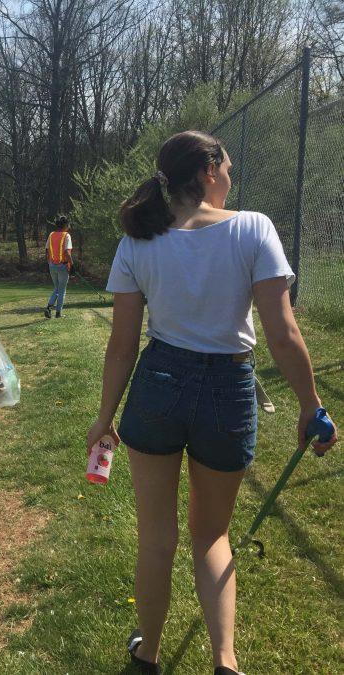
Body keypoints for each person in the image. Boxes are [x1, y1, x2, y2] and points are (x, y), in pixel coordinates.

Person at [86, 130, 338, 675]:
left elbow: (122, 343)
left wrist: (104, 419)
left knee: (156, 536)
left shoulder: (139, 240)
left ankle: (146, 657)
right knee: (211, 535)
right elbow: (283, 333)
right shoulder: (254, 228)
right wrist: (310, 405)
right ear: (207, 172)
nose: (230, 180)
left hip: (157, 384)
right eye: (226, 169)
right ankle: (225, 662)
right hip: (228, 390)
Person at [44, 215, 73, 318]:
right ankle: (57, 313)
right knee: (62, 290)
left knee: (57, 288)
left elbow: (47, 250)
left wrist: (49, 262)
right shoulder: (67, 236)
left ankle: (49, 307)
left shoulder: (51, 235)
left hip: (52, 265)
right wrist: (72, 265)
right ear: (65, 225)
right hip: (63, 266)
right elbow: (67, 252)